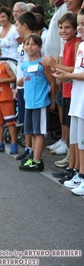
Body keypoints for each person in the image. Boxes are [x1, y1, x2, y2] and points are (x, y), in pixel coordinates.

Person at [53, 8, 84, 195]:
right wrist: (65, 76)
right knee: (78, 140)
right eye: (79, 23)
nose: (80, 27)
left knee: (82, 140)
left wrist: (68, 74)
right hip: (77, 99)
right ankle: (80, 174)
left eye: (82, 24)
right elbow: (76, 70)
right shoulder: (81, 46)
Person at [19, 34, 55, 171]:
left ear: (40, 47)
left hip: (40, 103)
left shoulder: (43, 64)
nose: (30, 47)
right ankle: (34, 157)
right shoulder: (24, 65)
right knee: (32, 132)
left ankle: (37, 161)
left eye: (33, 44)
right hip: (29, 103)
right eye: (27, 44)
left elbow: (52, 82)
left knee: (39, 132)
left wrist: (52, 101)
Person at [44, 0, 68, 168]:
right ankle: (63, 138)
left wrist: (57, 66)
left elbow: (62, 42)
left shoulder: (65, 8)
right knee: (61, 105)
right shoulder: (59, 8)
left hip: (59, 66)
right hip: (55, 65)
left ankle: (66, 141)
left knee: (63, 105)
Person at [14, 11, 37, 164]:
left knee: (32, 121)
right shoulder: (22, 43)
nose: (16, 28)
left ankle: (33, 151)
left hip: (30, 86)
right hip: (21, 86)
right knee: (25, 120)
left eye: (17, 25)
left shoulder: (34, 42)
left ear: (24, 25)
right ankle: (28, 148)